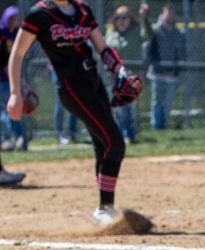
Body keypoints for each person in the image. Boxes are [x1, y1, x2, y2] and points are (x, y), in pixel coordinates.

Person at [6, 0, 142, 225]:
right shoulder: (40, 13)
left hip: (93, 81)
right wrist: (15, 92)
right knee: (115, 143)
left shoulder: (82, 9)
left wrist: (120, 70)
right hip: (71, 86)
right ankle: (104, 208)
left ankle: (104, 208)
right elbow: (17, 54)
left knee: (103, 144)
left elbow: (103, 48)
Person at [104, 4, 144, 142]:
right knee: (119, 109)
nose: (121, 20)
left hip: (132, 78)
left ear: (130, 19)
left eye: (125, 17)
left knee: (130, 108)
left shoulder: (136, 31)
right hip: (115, 78)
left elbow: (148, 35)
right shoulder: (110, 33)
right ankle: (122, 136)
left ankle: (130, 135)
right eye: (118, 18)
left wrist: (144, 18)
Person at [144, 2, 184, 130]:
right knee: (156, 101)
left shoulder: (179, 33)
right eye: (168, 12)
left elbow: (182, 53)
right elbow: (149, 48)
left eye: (173, 12)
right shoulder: (155, 31)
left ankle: (164, 126)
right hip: (157, 73)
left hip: (171, 74)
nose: (170, 15)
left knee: (167, 103)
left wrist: (178, 68)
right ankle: (156, 126)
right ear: (162, 14)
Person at [1, 4, 26, 151]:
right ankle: (8, 139)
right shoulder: (1, 33)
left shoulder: (16, 34)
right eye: (10, 18)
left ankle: (18, 139)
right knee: (6, 110)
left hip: (13, 78)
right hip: (2, 78)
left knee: (14, 110)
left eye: (15, 18)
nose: (13, 21)